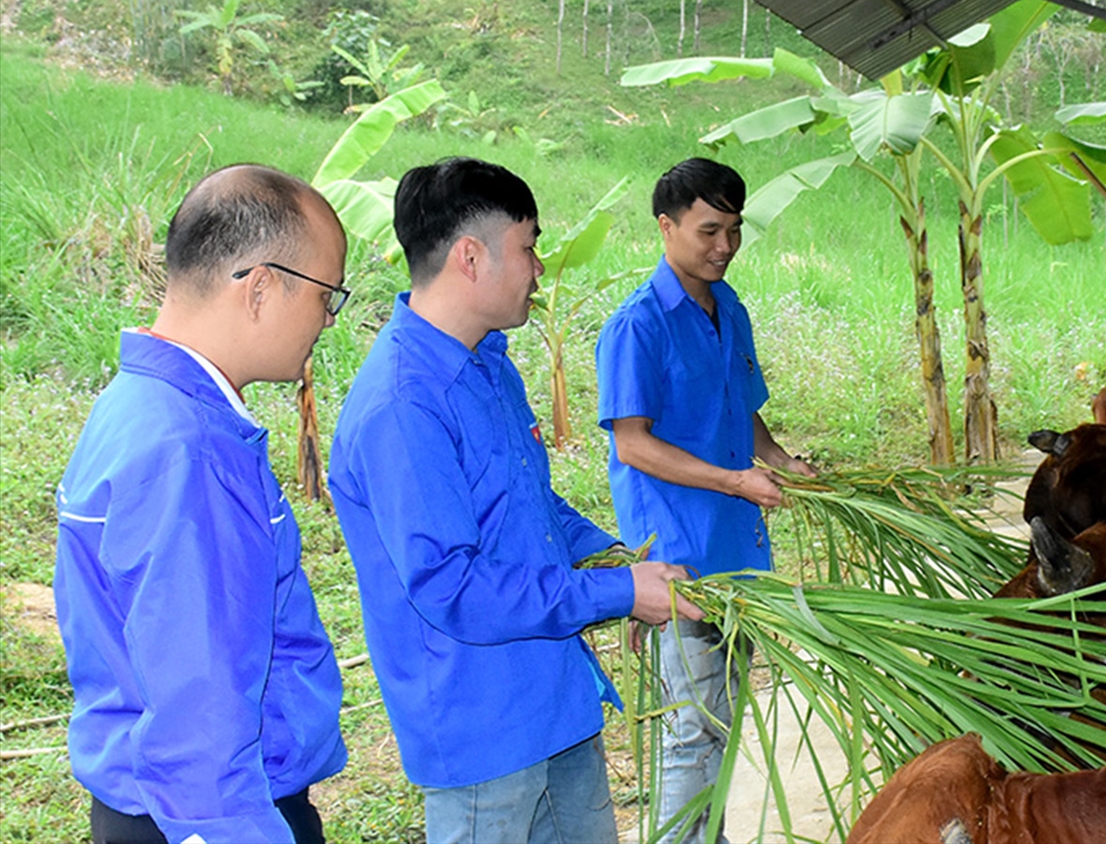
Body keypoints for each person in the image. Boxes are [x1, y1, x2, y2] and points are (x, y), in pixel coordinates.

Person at [328, 156, 701, 844]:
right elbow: (453, 585)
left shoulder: (489, 363)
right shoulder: (403, 404)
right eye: (528, 248)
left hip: (556, 701)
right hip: (484, 736)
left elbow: (532, 504)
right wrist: (617, 594)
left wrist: (618, 560)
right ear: (471, 257)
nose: (537, 268)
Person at [53, 164, 351, 844]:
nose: (328, 320)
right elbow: (200, 722)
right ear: (264, 287)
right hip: (214, 816)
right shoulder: (189, 450)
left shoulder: (135, 407)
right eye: (327, 295)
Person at [595, 157, 814, 844]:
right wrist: (733, 479)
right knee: (693, 728)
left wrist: (778, 459)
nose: (724, 246)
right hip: (680, 559)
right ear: (666, 226)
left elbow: (740, 404)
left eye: (734, 230)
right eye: (709, 230)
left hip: (734, 551)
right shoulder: (637, 325)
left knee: (720, 715)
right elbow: (633, 444)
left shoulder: (730, 306)